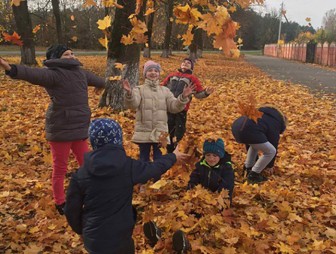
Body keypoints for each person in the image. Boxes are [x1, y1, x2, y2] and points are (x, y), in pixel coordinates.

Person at [0, 44, 106, 215]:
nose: (71, 56)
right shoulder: (53, 74)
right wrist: (10, 68)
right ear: (56, 58)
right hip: (61, 129)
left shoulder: (81, 73)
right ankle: (60, 201)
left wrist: (105, 84)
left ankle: (90, 194)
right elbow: (31, 74)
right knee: (60, 168)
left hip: (80, 128)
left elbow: (99, 80)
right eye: (66, 54)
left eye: (72, 53)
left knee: (87, 164)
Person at [64, 118, 190, 254]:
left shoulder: (81, 174)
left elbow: (71, 209)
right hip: (120, 237)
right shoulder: (128, 167)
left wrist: (81, 230)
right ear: (118, 140)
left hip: (94, 239)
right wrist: (173, 156)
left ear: (93, 142)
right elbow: (154, 168)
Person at [123, 60, 194, 162]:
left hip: (160, 133)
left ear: (159, 74)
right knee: (143, 159)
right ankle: (144, 177)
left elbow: (174, 107)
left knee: (159, 160)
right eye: (150, 70)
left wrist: (183, 97)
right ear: (145, 74)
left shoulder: (165, 91)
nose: (153, 73)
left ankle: (158, 178)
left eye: (156, 71)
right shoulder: (139, 90)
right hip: (143, 131)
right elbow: (133, 105)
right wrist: (129, 94)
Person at [162, 58, 214, 153]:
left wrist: (206, 93)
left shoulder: (192, 78)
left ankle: (176, 147)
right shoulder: (172, 75)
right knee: (167, 127)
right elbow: (162, 86)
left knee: (179, 130)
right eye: (183, 62)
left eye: (188, 63)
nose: (185, 64)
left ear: (191, 67)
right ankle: (167, 148)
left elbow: (198, 93)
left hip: (182, 109)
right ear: (180, 65)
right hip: (168, 107)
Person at [231, 105, 287, 184]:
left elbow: (250, 142)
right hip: (248, 130)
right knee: (271, 151)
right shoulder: (275, 123)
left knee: (254, 144)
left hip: (236, 127)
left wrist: (255, 161)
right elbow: (273, 142)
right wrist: (270, 165)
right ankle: (254, 175)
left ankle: (247, 168)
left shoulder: (264, 115)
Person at [188, 138, 235, 204]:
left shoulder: (226, 168)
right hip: (203, 198)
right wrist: (191, 190)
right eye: (208, 155)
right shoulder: (200, 166)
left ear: (220, 156)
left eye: (215, 156)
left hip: (219, 200)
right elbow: (193, 179)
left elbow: (227, 186)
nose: (211, 159)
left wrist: (216, 198)